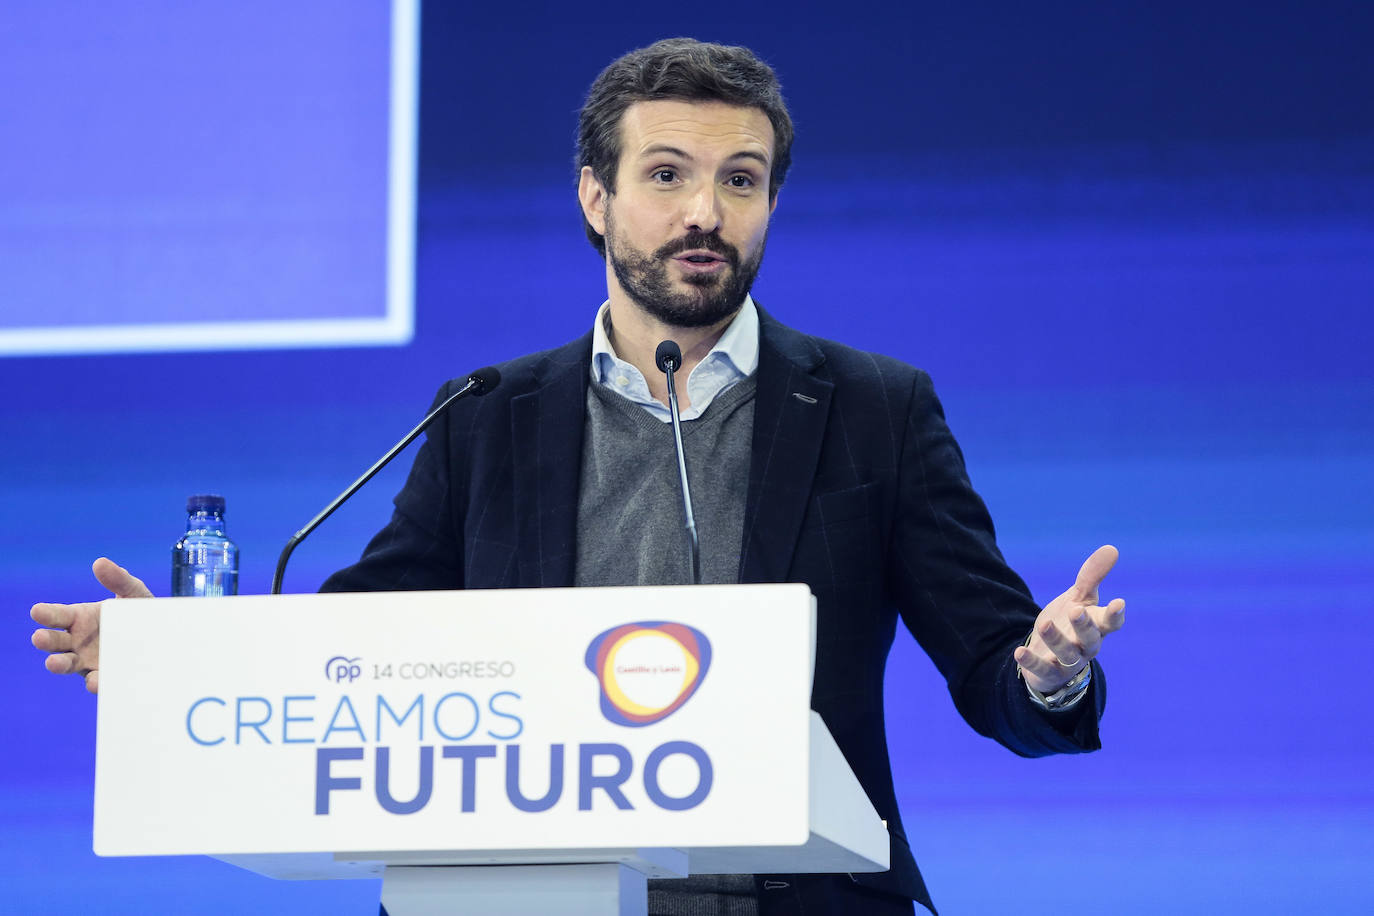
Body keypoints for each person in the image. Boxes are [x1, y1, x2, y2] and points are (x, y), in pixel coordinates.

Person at [31, 38, 1126, 916]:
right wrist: (185, 669)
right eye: (667, 175)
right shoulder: (487, 413)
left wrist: (1048, 669)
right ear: (595, 197)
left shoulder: (875, 409)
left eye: (740, 181)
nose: (707, 211)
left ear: (770, 205)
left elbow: (998, 673)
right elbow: (356, 648)